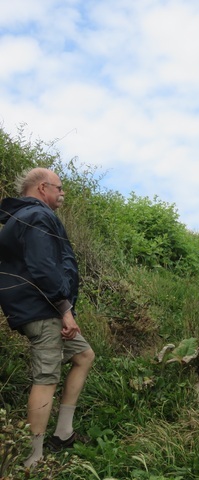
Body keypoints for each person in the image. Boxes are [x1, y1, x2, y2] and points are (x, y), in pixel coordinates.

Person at [0, 168, 95, 467]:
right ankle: (33, 459)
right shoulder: (38, 217)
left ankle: (63, 433)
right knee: (46, 379)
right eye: (59, 188)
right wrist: (66, 310)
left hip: (40, 306)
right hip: (43, 309)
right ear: (43, 188)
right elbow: (43, 268)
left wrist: (64, 309)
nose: (62, 194)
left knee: (83, 355)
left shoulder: (19, 218)